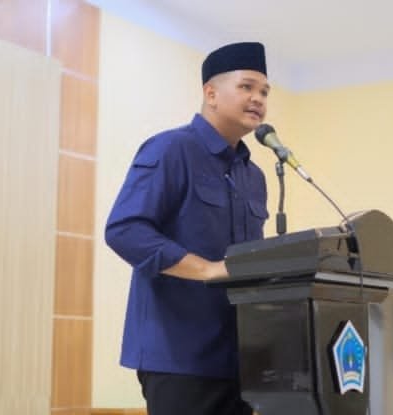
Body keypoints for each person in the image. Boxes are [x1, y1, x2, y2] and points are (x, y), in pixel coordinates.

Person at [105, 42, 270, 415]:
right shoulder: (170, 149)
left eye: (264, 92)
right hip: (179, 356)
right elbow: (125, 230)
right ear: (211, 93)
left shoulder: (254, 176)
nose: (258, 99)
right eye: (246, 87)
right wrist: (207, 269)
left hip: (241, 358)